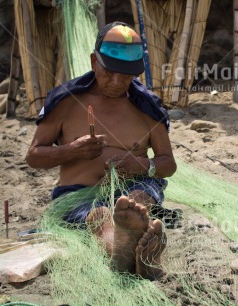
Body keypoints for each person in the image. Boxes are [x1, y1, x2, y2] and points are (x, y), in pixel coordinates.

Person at [25, 21, 177, 280]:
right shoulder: (66, 101)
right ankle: (134, 253)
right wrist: (72, 151)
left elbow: (168, 164)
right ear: (94, 61)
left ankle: (127, 248)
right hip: (78, 194)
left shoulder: (147, 108)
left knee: (136, 200)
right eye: (109, 73)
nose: (117, 82)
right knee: (100, 217)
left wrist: (141, 165)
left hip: (133, 186)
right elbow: (33, 156)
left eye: (126, 76)